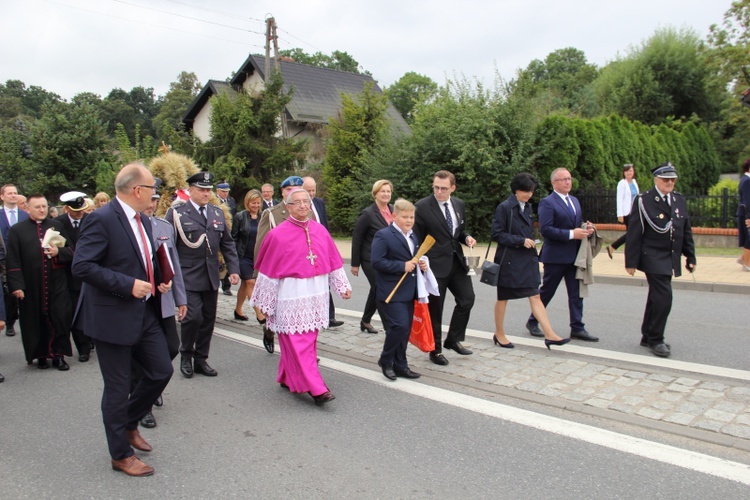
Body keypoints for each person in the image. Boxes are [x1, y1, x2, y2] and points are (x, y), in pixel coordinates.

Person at [73, 163, 174, 476]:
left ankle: (128, 423)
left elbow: (139, 258)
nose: (155, 195)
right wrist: (128, 284)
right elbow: (83, 266)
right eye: (152, 190)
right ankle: (120, 454)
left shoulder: (142, 220)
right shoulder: (100, 220)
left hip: (143, 311)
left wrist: (158, 278)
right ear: (137, 190)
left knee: (161, 370)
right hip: (111, 316)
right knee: (117, 388)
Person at [250, 188, 352, 405]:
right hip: (289, 295)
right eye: (297, 203)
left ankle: (287, 376)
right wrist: (265, 303)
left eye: (306, 201)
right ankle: (317, 388)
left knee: (307, 340)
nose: (303, 206)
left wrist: (342, 285)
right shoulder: (277, 235)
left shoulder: (320, 230)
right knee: (298, 341)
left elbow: (332, 260)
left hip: (316, 294)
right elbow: (267, 271)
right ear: (287, 207)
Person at [166, 171, 240, 379]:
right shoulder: (177, 213)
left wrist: (233, 270)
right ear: (190, 191)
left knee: (208, 319)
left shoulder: (216, 213)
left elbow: (227, 244)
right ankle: (186, 355)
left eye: (208, 190)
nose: (206, 194)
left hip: (210, 276)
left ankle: (201, 359)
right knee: (192, 317)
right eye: (201, 190)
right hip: (187, 276)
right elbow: (167, 246)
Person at [490, 173, 570, 350]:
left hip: (526, 258)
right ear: (516, 190)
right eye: (525, 191)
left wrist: (529, 242)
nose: (528, 195)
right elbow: (496, 234)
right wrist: (520, 240)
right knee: (503, 297)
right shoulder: (504, 207)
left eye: (531, 191)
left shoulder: (527, 207)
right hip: (509, 260)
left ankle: (549, 334)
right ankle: (499, 333)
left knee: (535, 294)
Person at [625, 162, 696, 358]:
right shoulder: (644, 200)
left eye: (672, 179)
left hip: (670, 255)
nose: (670, 182)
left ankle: (647, 334)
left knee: (656, 297)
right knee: (664, 297)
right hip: (652, 255)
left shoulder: (678, 199)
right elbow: (634, 232)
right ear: (656, 179)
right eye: (666, 179)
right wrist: (631, 261)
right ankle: (656, 339)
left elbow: (685, 229)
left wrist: (690, 256)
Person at [525, 168, 599, 342]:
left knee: (576, 293)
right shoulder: (547, 202)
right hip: (556, 256)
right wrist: (572, 234)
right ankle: (533, 320)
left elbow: (575, 223)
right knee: (547, 291)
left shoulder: (574, 200)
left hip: (574, 255)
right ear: (554, 183)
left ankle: (577, 327)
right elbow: (546, 229)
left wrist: (586, 228)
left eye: (569, 178)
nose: (567, 182)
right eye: (563, 179)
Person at [137, 183, 187, 429]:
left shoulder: (164, 227)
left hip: (163, 301)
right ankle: (142, 404)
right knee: (140, 353)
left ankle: (153, 382)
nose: (151, 204)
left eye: (155, 199)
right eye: (148, 198)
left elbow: (173, 265)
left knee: (171, 347)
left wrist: (181, 299)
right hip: (138, 302)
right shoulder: (129, 228)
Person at [414, 170, 476, 366]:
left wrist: (466, 237)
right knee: (436, 309)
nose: (439, 191)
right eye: (436, 187)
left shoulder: (458, 204)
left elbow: (457, 231)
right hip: (433, 266)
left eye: (443, 188)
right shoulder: (422, 207)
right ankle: (436, 349)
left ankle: (453, 339)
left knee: (467, 299)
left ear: (452, 188)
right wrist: (420, 261)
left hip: (456, 262)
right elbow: (416, 238)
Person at [7, 194, 74, 370]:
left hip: (57, 282)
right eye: (37, 207)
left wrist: (58, 252)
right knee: (35, 320)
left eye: (44, 206)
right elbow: (13, 260)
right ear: (27, 208)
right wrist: (17, 285)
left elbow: (72, 251)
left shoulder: (56, 226)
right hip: (31, 284)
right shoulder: (17, 230)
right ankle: (41, 355)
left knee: (60, 316)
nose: (42, 210)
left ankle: (58, 355)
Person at [371, 198, 434, 380]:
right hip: (390, 291)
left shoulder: (413, 236)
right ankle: (386, 359)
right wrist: (402, 266)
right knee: (399, 326)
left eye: (411, 217)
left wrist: (420, 264)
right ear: (394, 216)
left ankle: (401, 364)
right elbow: (377, 261)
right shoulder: (383, 235)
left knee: (405, 330)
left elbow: (412, 259)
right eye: (404, 217)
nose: (409, 220)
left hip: (409, 290)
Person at [253, 175, 316, 353]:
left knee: (304, 314)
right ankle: (269, 331)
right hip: (280, 274)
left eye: (298, 190)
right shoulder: (271, 214)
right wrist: (260, 275)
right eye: (290, 190)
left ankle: (303, 353)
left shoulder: (309, 213)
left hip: (303, 273)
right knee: (276, 314)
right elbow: (262, 247)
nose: (294, 193)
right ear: (282, 192)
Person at [351, 179, 394, 334]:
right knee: (380, 287)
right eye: (382, 191)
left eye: (388, 191)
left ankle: (365, 320)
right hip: (370, 258)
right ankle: (389, 326)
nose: (386, 194)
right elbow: (357, 238)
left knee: (376, 289)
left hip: (389, 259)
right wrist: (355, 263)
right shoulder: (368, 214)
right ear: (375, 194)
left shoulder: (393, 210)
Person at [303, 176, 343, 327]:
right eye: (308, 190)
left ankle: (329, 316)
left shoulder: (319, 203)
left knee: (325, 280)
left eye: (313, 190)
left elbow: (324, 225)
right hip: (306, 250)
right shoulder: (299, 206)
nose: (312, 193)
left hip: (321, 248)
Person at [56, 191, 92, 362]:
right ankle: (76, 348)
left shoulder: (91, 220)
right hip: (67, 275)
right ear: (66, 208)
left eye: (81, 209)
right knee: (71, 312)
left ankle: (88, 344)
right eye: (75, 210)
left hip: (89, 274)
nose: (79, 213)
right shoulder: (57, 223)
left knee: (87, 312)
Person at [1, 184, 29, 337]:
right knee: (8, 293)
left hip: (23, 259)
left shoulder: (25, 215)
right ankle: (10, 322)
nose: (13, 195)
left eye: (15, 193)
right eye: (10, 193)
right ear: (2, 196)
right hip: (4, 260)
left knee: (24, 291)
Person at [231, 189, 262, 322]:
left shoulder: (264, 217)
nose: (255, 205)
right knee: (250, 282)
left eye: (257, 203)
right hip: (242, 255)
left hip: (257, 257)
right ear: (247, 203)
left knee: (245, 284)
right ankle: (259, 314)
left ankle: (238, 310)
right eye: (252, 203)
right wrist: (233, 257)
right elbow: (233, 238)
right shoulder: (240, 216)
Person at [607, 164, 639, 258]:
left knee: (632, 233)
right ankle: (614, 247)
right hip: (627, 213)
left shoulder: (634, 182)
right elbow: (619, 199)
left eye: (631, 171)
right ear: (624, 172)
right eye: (628, 171)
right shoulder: (622, 183)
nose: (630, 173)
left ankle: (612, 247)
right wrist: (619, 214)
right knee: (632, 233)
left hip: (635, 211)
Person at [216, 181, 237, 296]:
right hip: (217, 231)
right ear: (217, 191)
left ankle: (226, 286)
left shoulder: (231, 201)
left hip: (229, 232)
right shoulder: (213, 201)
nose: (225, 194)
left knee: (227, 258)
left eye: (227, 192)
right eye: (223, 191)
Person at [736, 159, 750, 270]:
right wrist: (748, 217)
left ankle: (743, 258)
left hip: (744, 213)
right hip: (746, 214)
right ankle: (746, 264)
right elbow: (747, 201)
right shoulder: (747, 181)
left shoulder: (745, 179)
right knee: (748, 239)